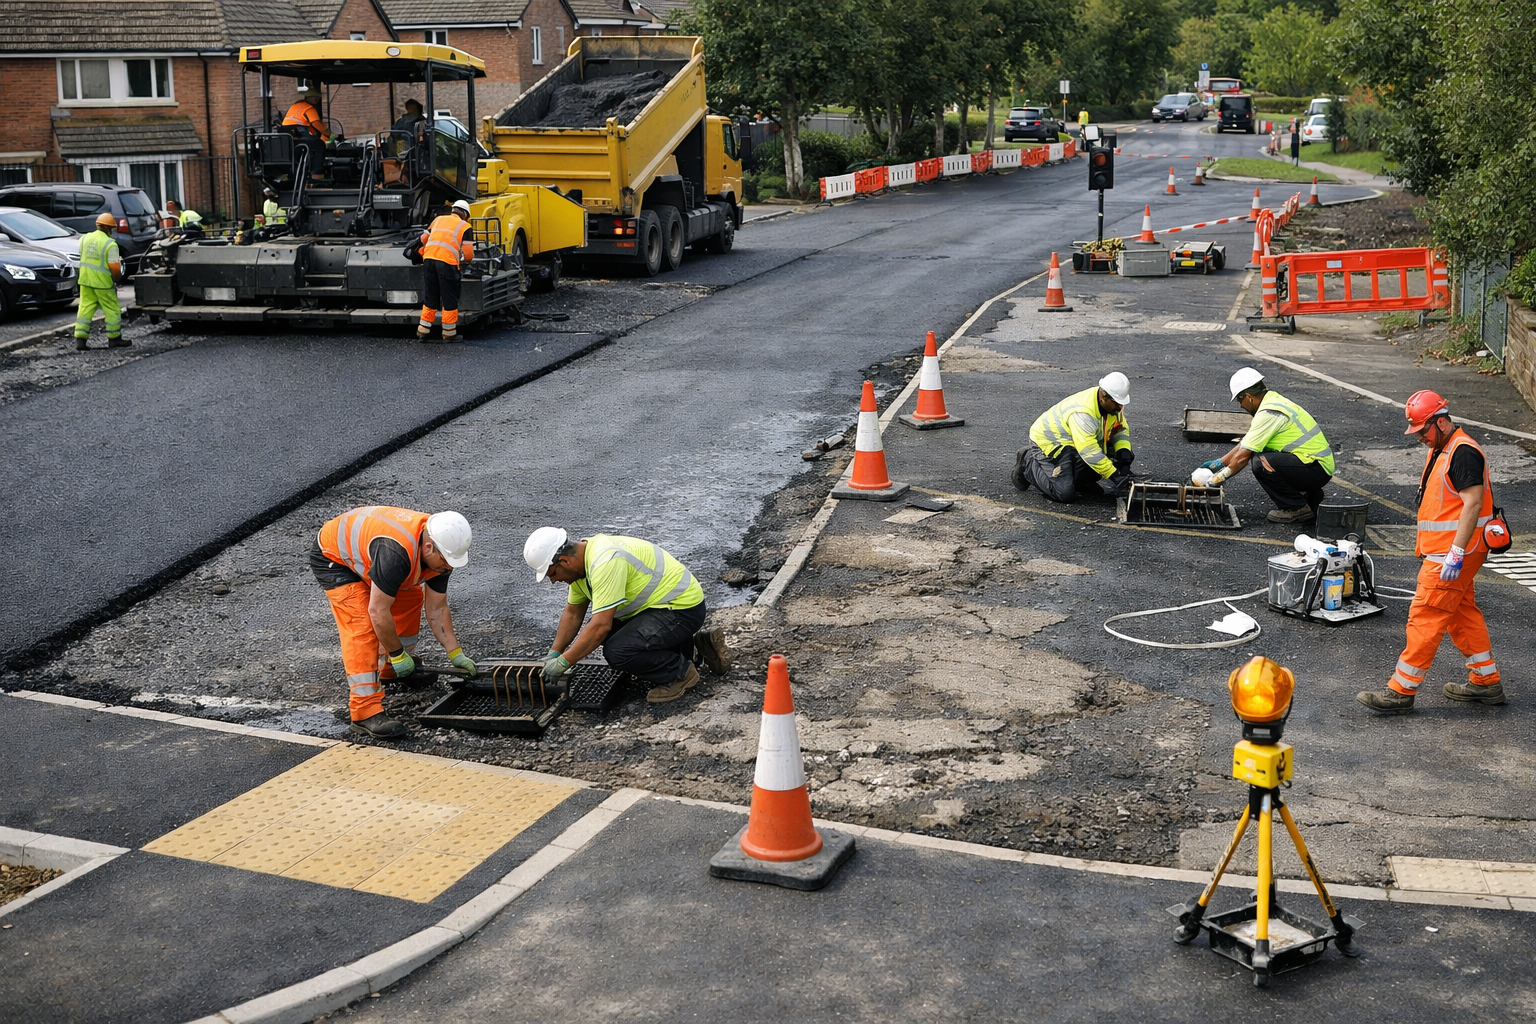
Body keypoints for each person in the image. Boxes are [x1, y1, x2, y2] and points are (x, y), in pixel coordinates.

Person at [1358, 392, 1505, 714]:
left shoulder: (1462, 452)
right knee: (1461, 612)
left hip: (1453, 553)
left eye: (1424, 431)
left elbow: (1474, 504)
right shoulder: (1443, 447)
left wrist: (1455, 552)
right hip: (1453, 550)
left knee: (1426, 615)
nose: (1421, 438)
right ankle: (1486, 681)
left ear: (1441, 421)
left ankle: (1401, 691)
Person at [310, 506, 476, 738]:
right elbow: (378, 611)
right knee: (362, 625)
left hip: (375, 553)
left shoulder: (442, 547)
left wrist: (455, 653)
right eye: (446, 561)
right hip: (334, 557)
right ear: (428, 547)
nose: (449, 567)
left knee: (410, 596)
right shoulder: (396, 554)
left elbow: (437, 609)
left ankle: (389, 669)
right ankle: (364, 710)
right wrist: (399, 653)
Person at [524, 527, 728, 704]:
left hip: (682, 610)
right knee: (605, 635)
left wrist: (564, 662)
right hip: (661, 608)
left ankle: (680, 673)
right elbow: (573, 613)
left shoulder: (605, 562)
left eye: (552, 574)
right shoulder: (582, 566)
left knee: (617, 650)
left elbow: (600, 626)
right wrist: (554, 653)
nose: (553, 581)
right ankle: (696, 650)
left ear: (565, 561)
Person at [1194, 368, 1334, 524]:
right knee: (1263, 457)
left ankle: (1296, 508)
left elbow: (1243, 456)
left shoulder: (1269, 414)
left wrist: (1216, 480)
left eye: (1240, 400)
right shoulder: (1273, 401)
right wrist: (1219, 463)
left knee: (1261, 463)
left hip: (1316, 470)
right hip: (1316, 466)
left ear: (1248, 397)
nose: (1240, 406)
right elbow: (1247, 442)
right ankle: (1309, 498)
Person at [1012, 372, 1134, 502]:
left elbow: (1119, 428)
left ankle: (1079, 482)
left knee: (1113, 454)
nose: (1120, 407)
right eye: (1117, 403)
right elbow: (1089, 452)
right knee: (1064, 493)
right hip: (1051, 443)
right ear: (1104, 397)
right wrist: (1114, 475)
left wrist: (1123, 452)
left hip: (1076, 443)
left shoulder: (1111, 404)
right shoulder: (1083, 413)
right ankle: (1028, 461)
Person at [418, 199, 474, 342]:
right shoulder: (465, 226)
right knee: (449, 298)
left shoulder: (438, 219)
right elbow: (468, 255)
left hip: (429, 259)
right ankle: (449, 334)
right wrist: (462, 259)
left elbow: (423, 239)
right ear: (465, 214)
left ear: (453, 209)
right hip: (447, 263)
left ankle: (422, 331)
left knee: (431, 296)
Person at [75, 211, 127, 350]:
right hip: (102, 283)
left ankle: (80, 340)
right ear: (109, 228)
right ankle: (115, 339)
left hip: (85, 280)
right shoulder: (110, 244)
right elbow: (115, 268)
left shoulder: (84, 239)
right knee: (112, 309)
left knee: (85, 308)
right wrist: (117, 279)